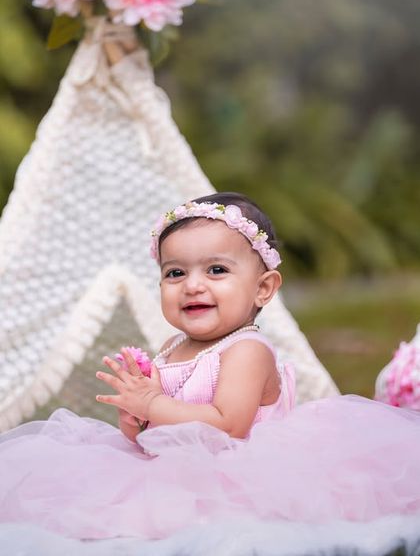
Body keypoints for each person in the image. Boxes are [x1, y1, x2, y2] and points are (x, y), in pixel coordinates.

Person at [0, 192, 420, 545]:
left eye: (216, 270)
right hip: (171, 472)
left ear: (263, 287)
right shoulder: (172, 347)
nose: (193, 284)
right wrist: (136, 418)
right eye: (175, 273)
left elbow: (227, 425)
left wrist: (154, 403)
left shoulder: (248, 350)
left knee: (213, 535)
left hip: (243, 476)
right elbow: (153, 436)